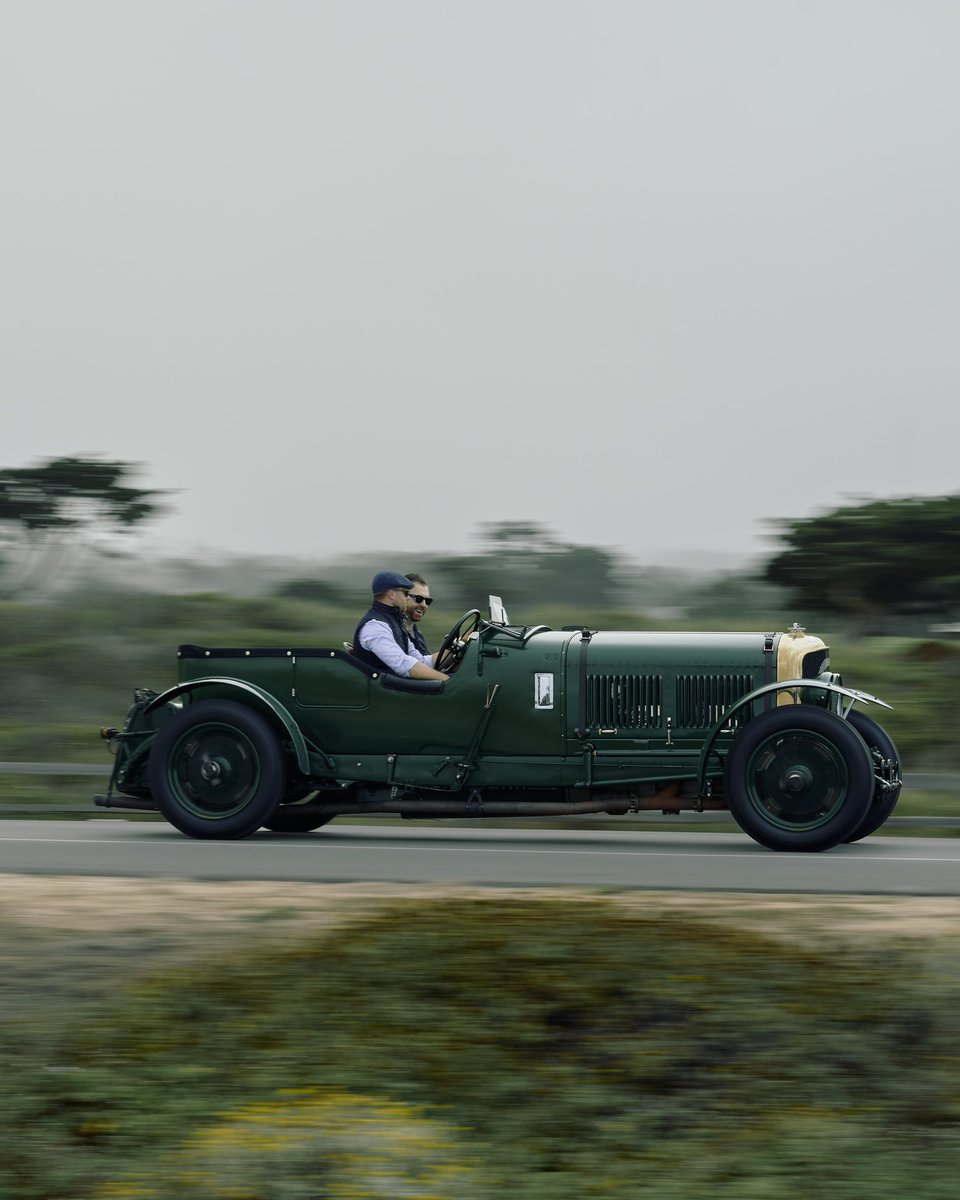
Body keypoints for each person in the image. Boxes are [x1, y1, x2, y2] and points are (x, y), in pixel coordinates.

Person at [352, 570, 448, 681]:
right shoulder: (375, 626)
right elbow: (404, 665)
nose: (408, 598)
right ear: (392, 595)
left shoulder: (396, 623)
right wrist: (447, 681)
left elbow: (421, 661)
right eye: (406, 594)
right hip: (383, 693)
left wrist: (455, 649)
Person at [403, 572, 433, 656]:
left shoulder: (416, 632)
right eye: (418, 598)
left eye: (427, 601)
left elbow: (427, 661)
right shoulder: (394, 631)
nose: (424, 605)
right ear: (403, 597)